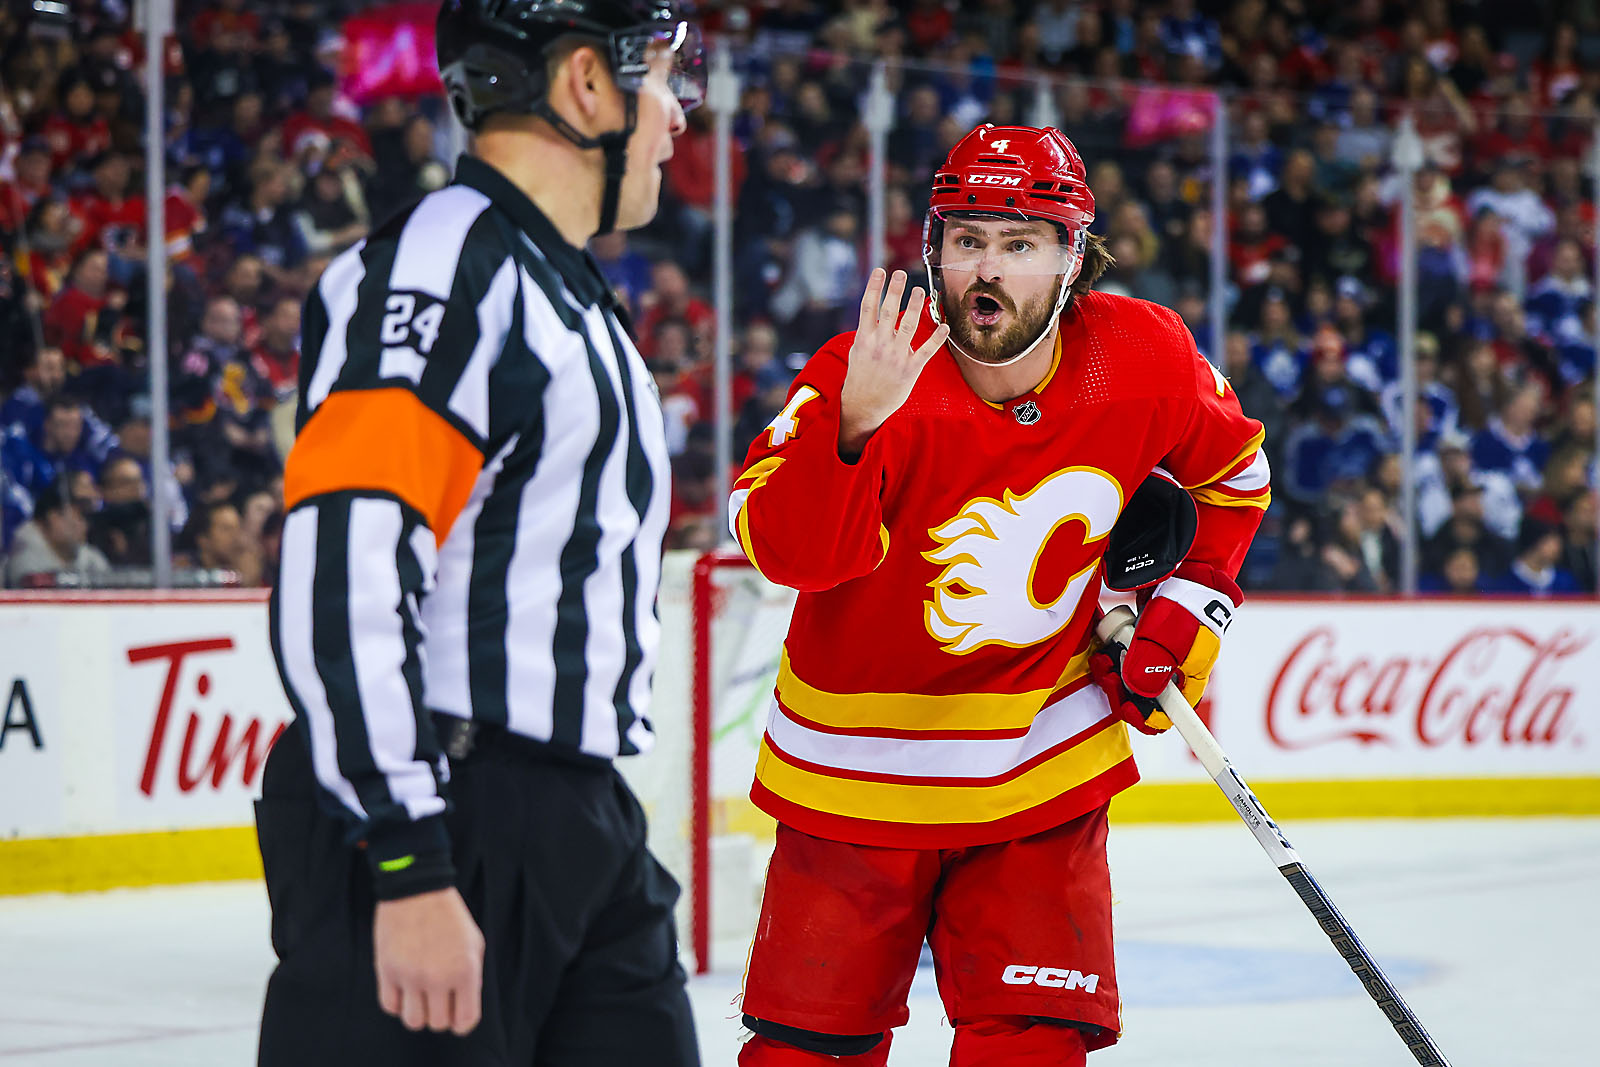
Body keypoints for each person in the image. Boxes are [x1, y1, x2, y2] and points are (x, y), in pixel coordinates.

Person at [727, 124, 1271, 1065]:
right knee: (804, 1055)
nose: (988, 268)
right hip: (853, 776)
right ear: (934, 251)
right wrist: (854, 427)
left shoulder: (1142, 356)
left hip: (1039, 764)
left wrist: (1182, 611)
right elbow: (787, 554)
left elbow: (1237, 476)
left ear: (1073, 258)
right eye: (968, 240)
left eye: (1020, 244)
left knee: (1033, 1048)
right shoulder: (864, 369)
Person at [255, 3, 704, 1065]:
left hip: (576, 811)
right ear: (587, 84)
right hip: (448, 808)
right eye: (665, 81)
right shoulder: (443, 267)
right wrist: (407, 859)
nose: (678, 119)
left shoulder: (568, 287)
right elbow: (350, 560)